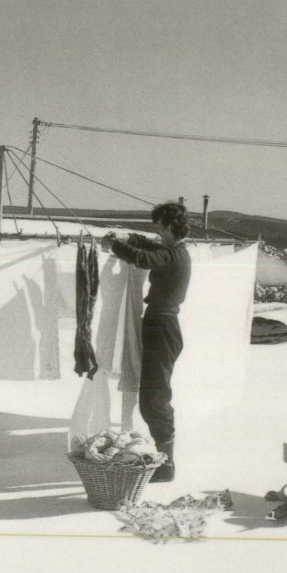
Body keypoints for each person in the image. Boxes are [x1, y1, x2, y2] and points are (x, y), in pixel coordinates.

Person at [101, 202, 192, 483]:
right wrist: (127, 239)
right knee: (152, 397)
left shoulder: (173, 255)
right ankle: (165, 460)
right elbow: (147, 246)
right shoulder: (173, 250)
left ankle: (167, 464)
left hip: (163, 328)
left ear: (169, 227)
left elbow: (144, 258)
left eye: (160, 226)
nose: (157, 231)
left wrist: (116, 247)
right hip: (159, 326)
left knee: (154, 399)